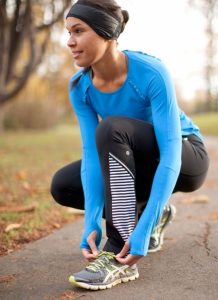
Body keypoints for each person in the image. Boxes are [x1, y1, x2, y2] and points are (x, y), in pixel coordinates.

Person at [50, 0, 209, 291]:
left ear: (105, 31)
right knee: (63, 185)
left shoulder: (151, 72)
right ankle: (152, 211)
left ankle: (117, 250)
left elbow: (171, 150)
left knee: (112, 127)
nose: (70, 42)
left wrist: (142, 226)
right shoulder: (79, 86)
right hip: (135, 158)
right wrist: (91, 222)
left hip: (186, 155)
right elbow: (91, 156)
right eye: (68, 33)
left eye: (78, 31)